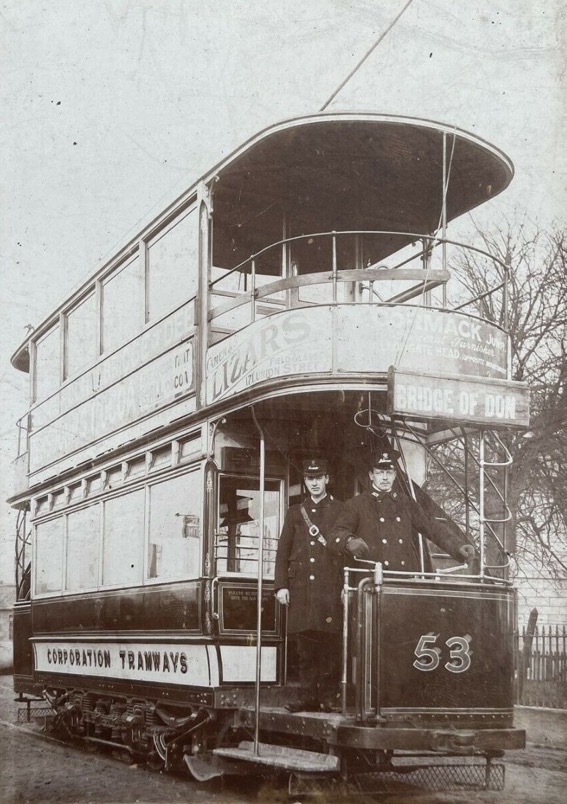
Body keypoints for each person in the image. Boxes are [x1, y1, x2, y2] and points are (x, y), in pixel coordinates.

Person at [274, 457, 344, 712]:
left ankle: (327, 697)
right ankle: (306, 697)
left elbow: (345, 553)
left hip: (329, 588)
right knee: (305, 648)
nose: (314, 483)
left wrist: (346, 586)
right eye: (310, 479)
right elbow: (283, 552)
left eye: (319, 478)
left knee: (328, 645)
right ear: (305, 481)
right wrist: (281, 586)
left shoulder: (340, 510)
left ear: (327, 479)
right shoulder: (295, 511)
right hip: (302, 589)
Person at [330, 449, 476, 570]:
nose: (385, 477)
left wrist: (458, 546)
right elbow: (335, 534)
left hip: (403, 578)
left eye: (389, 472)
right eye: (380, 472)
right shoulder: (356, 504)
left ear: (394, 475)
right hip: (371, 579)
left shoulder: (405, 502)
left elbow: (431, 527)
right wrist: (349, 541)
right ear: (371, 475)